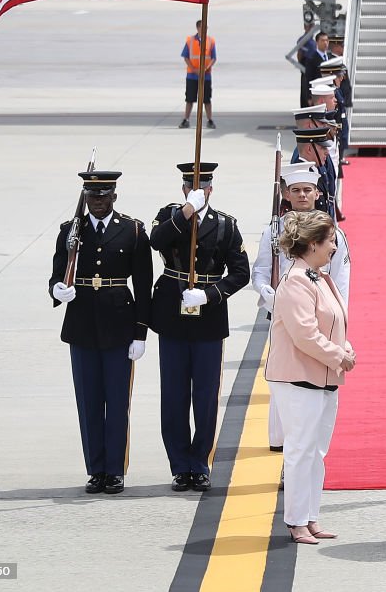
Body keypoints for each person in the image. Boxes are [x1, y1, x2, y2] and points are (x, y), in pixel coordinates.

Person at [48, 170, 152, 495]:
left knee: (117, 400)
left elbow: (144, 285)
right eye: (92, 197)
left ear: (114, 197)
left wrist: (141, 332)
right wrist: (58, 290)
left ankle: (115, 470)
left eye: (103, 196)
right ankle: (95, 469)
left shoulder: (133, 231)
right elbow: (55, 275)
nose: (97, 202)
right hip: (81, 325)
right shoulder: (70, 232)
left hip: (120, 324)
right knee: (89, 401)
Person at [150, 162, 250, 492]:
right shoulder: (169, 215)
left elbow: (240, 273)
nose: (197, 191)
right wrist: (186, 211)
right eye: (190, 188)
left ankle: (200, 463)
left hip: (207, 316)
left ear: (211, 188)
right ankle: (180, 465)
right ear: (184, 190)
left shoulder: (225, 224)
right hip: (172, 315)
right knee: (174, 394)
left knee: (206, 396)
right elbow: (157, 241)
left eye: (203, 188)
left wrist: (210, 294)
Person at [265, 210, 356, 544]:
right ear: (313, 244)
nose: (334, 247)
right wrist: (339, 356)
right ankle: (296, 521)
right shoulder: (295, 283)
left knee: (316, 451)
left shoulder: (320, 277)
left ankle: (310, 516)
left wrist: (345, 347)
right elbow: (305, 334)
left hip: (324, 376)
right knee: (301, 450)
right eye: (330, 241)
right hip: (297, 378)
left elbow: (332, 323)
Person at [252, 163, 351, 452]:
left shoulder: (332, 233)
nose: (302, 195)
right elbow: (260, 270)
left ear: (317, 193)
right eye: (295, 190)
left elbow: (341, 279)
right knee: (285, 374)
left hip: (322, 310)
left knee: (313, 375)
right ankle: (281, 439)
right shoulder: (274, 230)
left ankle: (302, 440)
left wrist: (339, 315)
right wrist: (265, 291)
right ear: (285, 194)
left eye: (307, 190)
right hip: (284, 310)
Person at [179, 20, 216, 129]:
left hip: (206, 75)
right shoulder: (190, 40)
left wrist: (205, 69)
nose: (204, 30)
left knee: (206, 99)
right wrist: (194, 69)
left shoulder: (211, 41)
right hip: (192, 75)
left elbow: (213, 58)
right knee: (189, 99)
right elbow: (185, 57)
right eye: (202, 27)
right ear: (198, 28)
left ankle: (210, 120)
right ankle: (186, 119)